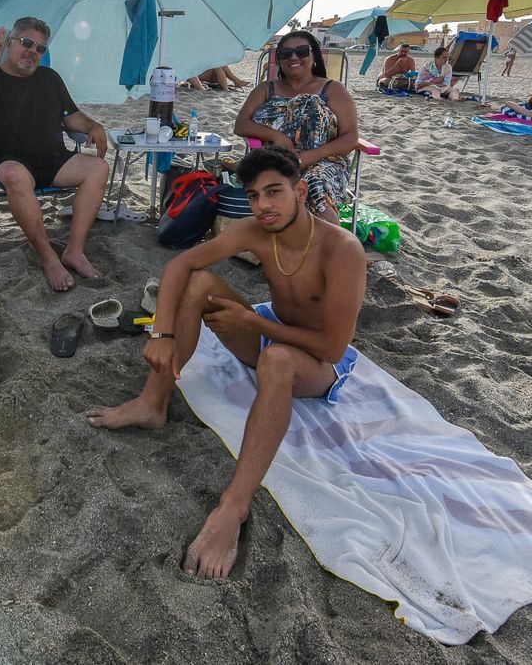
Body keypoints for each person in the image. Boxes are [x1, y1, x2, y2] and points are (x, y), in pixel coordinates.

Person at [86, 145, 367, 579]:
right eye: (254, 195)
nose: (263, 206)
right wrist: (161, 331)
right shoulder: (256, 230)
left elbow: (331, 347)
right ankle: (152, 403)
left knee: (276, 361)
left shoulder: (342, 249)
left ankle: (233, 507)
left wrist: (252, 321)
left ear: (301, 190)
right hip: (271, 328)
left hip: (318, 364)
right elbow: (182, 264)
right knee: (199, 284)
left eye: (274, 192)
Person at [0, 16, 111, 292]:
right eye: (26, 43)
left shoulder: (50, 78)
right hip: (8, 160)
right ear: (10, 43)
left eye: (40, 48)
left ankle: (74, 250)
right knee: (16, 176)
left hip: (53, 160)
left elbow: (71, 117)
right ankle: (48, 258)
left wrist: (93, 125)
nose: (32, 51)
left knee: (98, 168)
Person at [234, 31, 358, 221]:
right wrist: (277, 137)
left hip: (324, 161)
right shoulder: (266, 89)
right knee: (275, 183)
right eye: (286, 53)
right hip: (275, 159)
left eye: (301, 51)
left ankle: (331, 245)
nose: (293, 57)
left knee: (314, 185)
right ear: (279, 59)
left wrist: (310, 156)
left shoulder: (333, 90)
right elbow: (241, 124)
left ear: (314, 56)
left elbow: (350, 138)